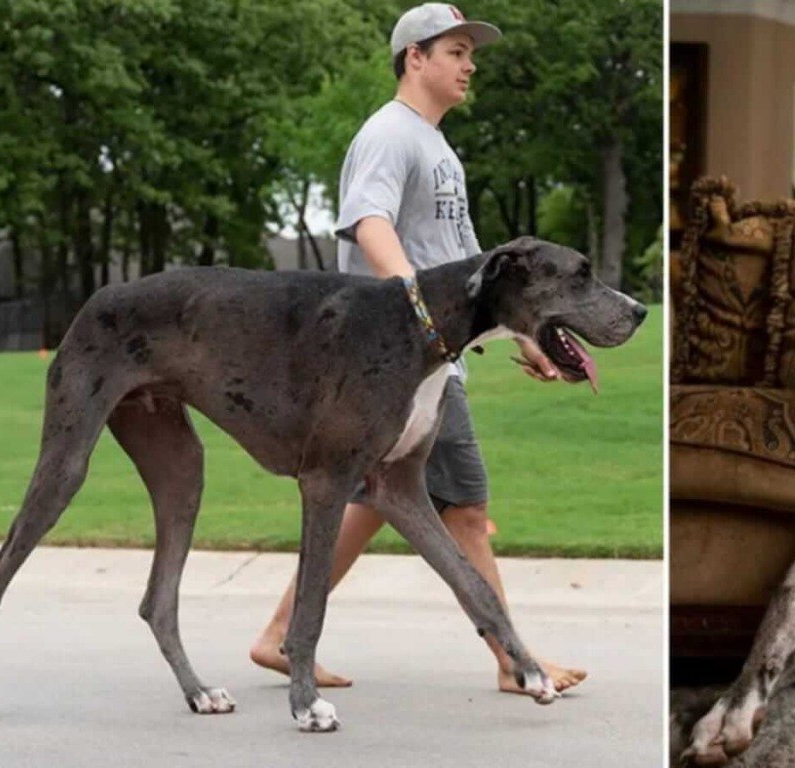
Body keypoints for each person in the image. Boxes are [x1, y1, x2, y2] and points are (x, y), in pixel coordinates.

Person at [249, 2, 587, 696]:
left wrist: (524, 332)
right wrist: (415, 312)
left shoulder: (437, 147)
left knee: (377, 498)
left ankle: (280, 634)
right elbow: (368, 222)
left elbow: (469, 271)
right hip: (400, 356)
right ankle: (513, 660)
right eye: (457, 52)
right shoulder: (389, 135)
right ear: (415, 58)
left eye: (471, 54)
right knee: (464, 506)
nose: (469, 66)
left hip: (428, 354)